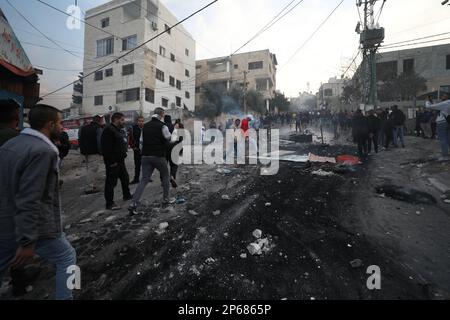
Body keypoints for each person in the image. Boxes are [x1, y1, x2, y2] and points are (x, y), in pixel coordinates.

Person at [0, 104, 77, 300]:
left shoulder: (11, 144)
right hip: (34, 227)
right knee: (67, 257)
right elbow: (30, 198)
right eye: (60, 123)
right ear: (50, 124)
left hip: (6, 222)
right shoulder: (44, 151)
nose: (62, 128)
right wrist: (27, 241)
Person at [129, 108, 174, 215]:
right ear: (162, 114)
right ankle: (166, 199)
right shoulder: (163, 126)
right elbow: (169, 138)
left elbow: (141, 142)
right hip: (158, 155)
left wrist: (143, 152)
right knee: (165, 176)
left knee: (144, 180)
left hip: (145, 156)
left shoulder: (145, 126)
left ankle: (133, 203)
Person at [101, 113, 132, 211]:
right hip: (113, 161)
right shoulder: (108, 130)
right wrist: (112, 161)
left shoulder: (117, 130)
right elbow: (106, 149)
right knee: (111, 182)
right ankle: (109, 203)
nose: (124, 122)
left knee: (125, 178)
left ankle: (126, 195)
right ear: (116, 119)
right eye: (122, 120)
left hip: (120, 160)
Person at [78, 115, 103, 194]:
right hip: (94, 152)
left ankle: (93, 185)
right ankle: (89, 188)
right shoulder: (98, 128)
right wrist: (101, 152)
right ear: (99, 121)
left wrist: (82, 150)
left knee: (89, 169)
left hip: (85, 152)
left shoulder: (83, 128)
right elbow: (99, 142)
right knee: (92, 169)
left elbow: (79, 139)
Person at [426, 93, 450, 160]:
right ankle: (447, 152)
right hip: (448, 122)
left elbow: (429, 107)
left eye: (443, 95)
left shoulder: (446, 103)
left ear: (447, 96)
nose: (442, 96)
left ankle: (445, 155)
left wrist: (427, 102)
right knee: (448, 138)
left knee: (443, 139)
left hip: (442, 123)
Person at [129, 117, 145, 185]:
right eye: (139, 121)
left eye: (142, 121)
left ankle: (146, 178)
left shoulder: (146, 128)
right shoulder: (133, 128)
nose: (141, 122)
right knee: (137, 165)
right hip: (137, 149)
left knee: (145, 165)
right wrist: (133, 147)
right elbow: (130, 139)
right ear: (137, 122)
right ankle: (136, 179)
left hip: (145, 150)